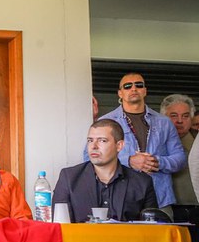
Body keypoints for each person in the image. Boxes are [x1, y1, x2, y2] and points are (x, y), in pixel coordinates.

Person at [91, 73, 185, 209]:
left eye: (139, 85)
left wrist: (156, 162)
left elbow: (180, 159)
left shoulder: (164, 122)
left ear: (145, 91)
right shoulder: (106, 122)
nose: (133, 89)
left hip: (159, 197)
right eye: (127, 86)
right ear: (120, 93)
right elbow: (90, 157)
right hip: (119, 196)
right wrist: (128, 161)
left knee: (163, 231)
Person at [55, 119, 157, 222]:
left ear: (119, 146)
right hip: (81, 238)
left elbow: (152, 229)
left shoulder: (142, 182)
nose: (93, 146)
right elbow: (58, 225)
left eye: (102, 140)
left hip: (125, 238)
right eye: (90, 140)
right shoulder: (69, 178)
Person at [160, 94, 197, 205]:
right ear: (163, 117)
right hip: (165, 205)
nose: (180, 121)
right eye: (174, 116)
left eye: (185, 116)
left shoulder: (197, 140)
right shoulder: (155, 140)